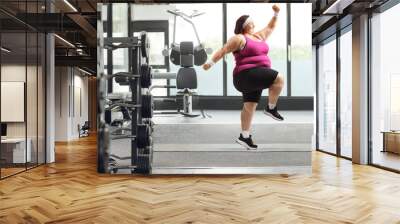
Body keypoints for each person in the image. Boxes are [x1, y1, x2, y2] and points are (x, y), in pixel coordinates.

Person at [203, 4, 285, 150]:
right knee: (279, 78)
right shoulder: (239, 38)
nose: (252, 23)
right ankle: (271, 108)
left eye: (252, 22)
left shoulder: (259, 36)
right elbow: (224, 50)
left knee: (250, 106)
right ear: (244, 25)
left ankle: (244, 137)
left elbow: (270, 27)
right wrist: (210, 63)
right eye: (249, 22)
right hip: (245, 75)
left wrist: (276, 13)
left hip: (256, 77)